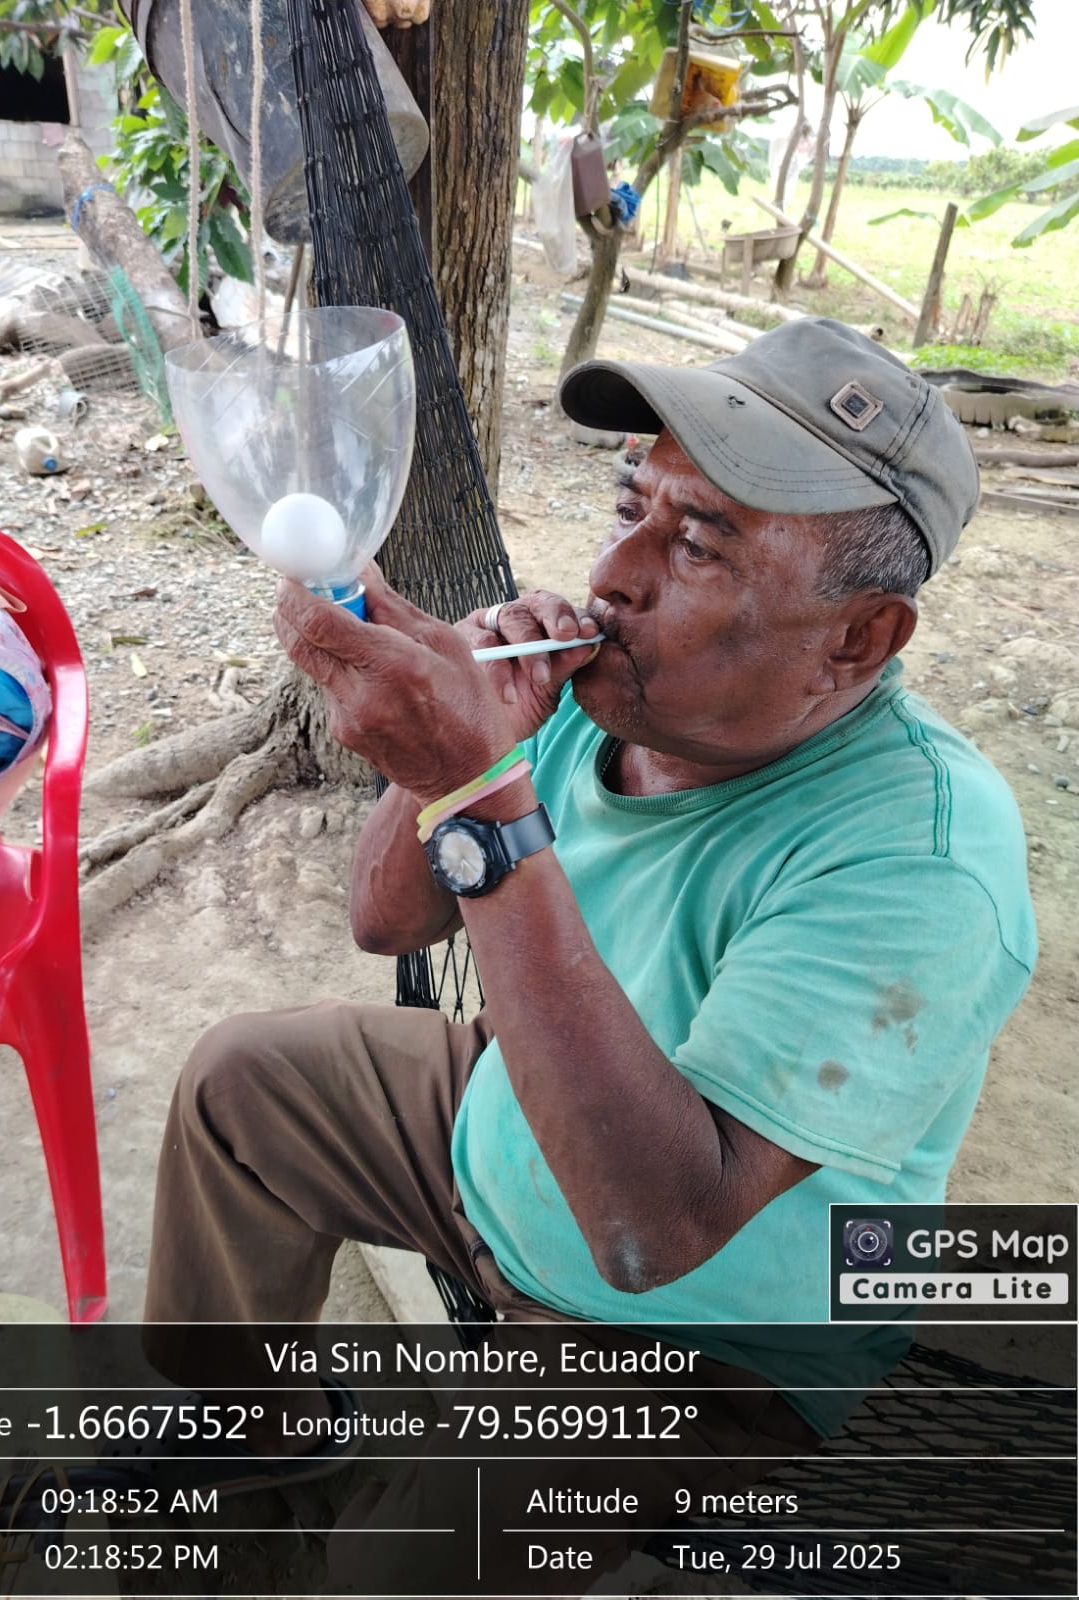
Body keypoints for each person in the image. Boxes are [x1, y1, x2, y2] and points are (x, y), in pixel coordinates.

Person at [143, 318, 1035, 1592]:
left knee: (390, 1572)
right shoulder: (611, 696)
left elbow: (651, 1232)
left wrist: (483, 792)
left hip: (697, 1343)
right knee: (244, 1089)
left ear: (856, 639)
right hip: (509, 1147)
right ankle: (250, 1439)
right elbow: (386, 922)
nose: (613, 576)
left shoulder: (922, 858)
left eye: (697, 544)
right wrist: (457, 757)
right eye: (632, 505)